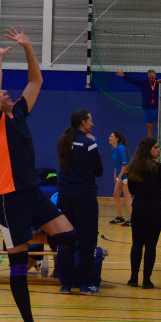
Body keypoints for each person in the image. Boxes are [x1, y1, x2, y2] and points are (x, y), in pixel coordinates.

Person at [0, 26, 76, 322]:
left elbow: (36, 81)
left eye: (8, 94)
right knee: (18, 267)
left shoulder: (19, 113)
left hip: (32, 193)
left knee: (68, 236)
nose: (7, 94)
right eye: (2, 96)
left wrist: (28, 47)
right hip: (8, 200)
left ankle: (22, 239)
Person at [56, 110, 103, 294]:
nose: (92, 124)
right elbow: (98, 171)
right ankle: (85, 284)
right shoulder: (90, 144)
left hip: (65, 196)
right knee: (87, 240)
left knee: (66, 239)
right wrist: (95, 145)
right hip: (84, 197)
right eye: (90, 120)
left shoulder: (63, 141)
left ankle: (65, 284)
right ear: (83, 122)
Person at [123, 136, 161, 288]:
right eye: (155, 147)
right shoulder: (158, 168)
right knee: (150, 245)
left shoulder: (134, 167)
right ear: (148, 149)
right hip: (156, 209)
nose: (158, 150)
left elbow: (131, 189)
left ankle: (133, 278)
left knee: (136, 244)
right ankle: (146, 280)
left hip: (139, 209)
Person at [115, 68, 161, 136]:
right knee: (149, 128)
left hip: (157, 108)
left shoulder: (159, 83)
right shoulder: (144, 83)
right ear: (147, 76)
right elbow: (133, 81)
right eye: (149, 77)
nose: (151, 79)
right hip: (148, 109)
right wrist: (124, 76)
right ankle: (149, 142)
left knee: (160, 128)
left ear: (155, 76)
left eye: (152, 77)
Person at [108, 131, 132, 226]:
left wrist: (120, 176)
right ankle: (120, 217)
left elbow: (125, 165)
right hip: (120, 175)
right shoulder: (113, 148)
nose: (109, 137)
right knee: (116, 195)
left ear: (117, 139)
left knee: (127, 197)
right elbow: (118, 163)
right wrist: (116, 173)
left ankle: (132, 219)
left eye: (111, 136)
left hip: (126, 175)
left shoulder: (121, 148)